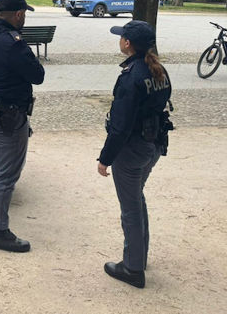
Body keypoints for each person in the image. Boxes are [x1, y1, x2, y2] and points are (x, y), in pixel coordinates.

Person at [98, 20, 171, 288]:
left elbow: (120, 126)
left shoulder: (131, 77)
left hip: (132, 149)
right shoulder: (158, 69)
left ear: (127, 43)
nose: (119, 40)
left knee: (130, 208)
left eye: (121, 37)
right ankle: (139, 256)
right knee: (136, 199)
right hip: (153, 144)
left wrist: (105, 159)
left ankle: (132, 268)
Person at [0, 0, 45, 252]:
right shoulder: (13, 43)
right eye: (24, 14)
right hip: (8, 114)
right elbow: (38, 75)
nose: (24, 18)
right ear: (18, 14)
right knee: (6, 174)